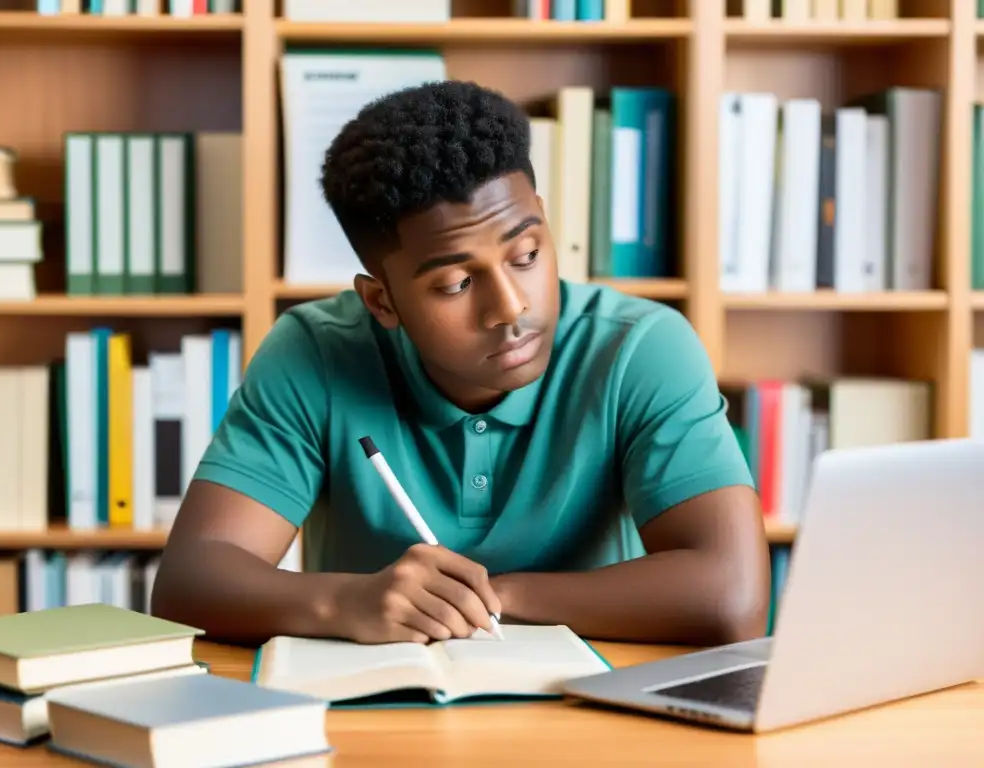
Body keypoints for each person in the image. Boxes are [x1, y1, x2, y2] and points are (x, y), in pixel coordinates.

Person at [150, 80, 770, 648]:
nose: (511, 306)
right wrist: (348, 600)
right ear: (382, 301)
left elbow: (731, 598)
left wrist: (494, 597)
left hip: (592, 711)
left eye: (527, 252)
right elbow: (190, 581)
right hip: (379, 717)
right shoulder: (313, 352)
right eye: (453, 284)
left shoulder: (640, 348)